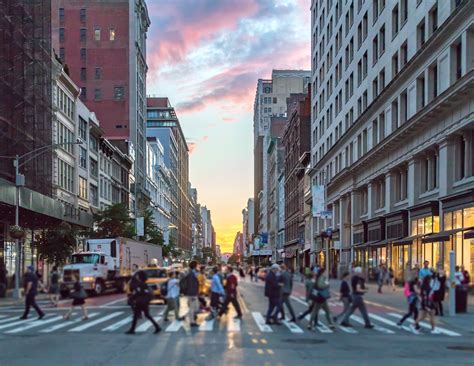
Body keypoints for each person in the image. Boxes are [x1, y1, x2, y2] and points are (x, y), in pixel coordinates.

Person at [126, 270, 161, 334]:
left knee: (136, 316)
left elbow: (138, 293)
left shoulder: (140, 285)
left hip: (140, 302)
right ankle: (157, 327)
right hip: (144, 302)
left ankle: (132, 330)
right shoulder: (144, 284)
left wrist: (132, 298)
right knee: (146, 315)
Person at [180, 260, 200, 327]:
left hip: (193, 293)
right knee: (192, 308)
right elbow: (191, 285)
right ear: (195, 266)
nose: (198, 266)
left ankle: (185, 316)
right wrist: (193, 295)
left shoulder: (193, 273)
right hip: (192, 294)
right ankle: (192, 322)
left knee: (196, 307)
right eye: (197, 265)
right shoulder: (191, 274)